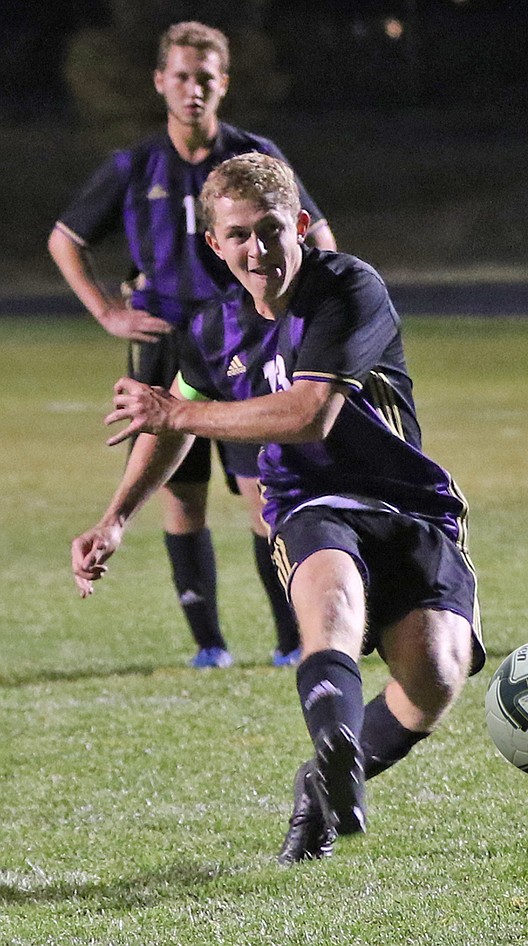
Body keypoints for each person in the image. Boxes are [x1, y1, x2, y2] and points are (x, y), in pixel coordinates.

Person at [70, 152, 485, 864]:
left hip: (407, 502)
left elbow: (307, 414)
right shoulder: (210, 332)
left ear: (298, 225)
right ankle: (335, 741)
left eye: (269, 231)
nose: (256, 251)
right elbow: (173, 430)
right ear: (214, 243)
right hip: (306, 502)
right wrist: (115, 517)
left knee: (438, 674)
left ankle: (321, 784)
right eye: (237, 236)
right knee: (334, 601)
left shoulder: (348, 287)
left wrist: (176, 414)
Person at [49, 21, 338, 669]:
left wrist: (304, 312)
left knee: (262, 491)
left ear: (223, 84)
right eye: (180, 76)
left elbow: (317, 234)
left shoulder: (252, 157)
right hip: (163, 344)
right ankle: (209, 644)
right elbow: (65, 238)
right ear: (160, 82)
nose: (192, 90)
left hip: (243, 344)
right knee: (180, 494)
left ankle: (291, 639)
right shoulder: (136, 165)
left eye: (205, 78)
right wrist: (108, 311)